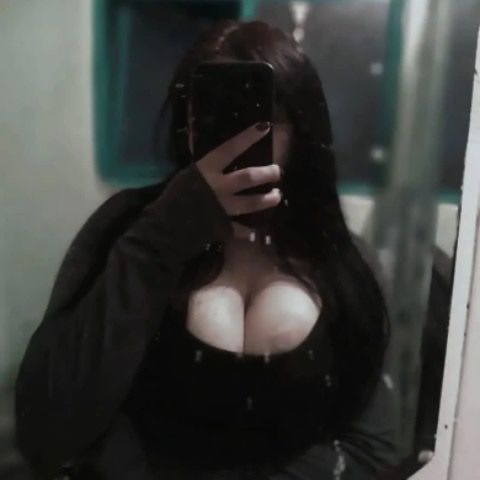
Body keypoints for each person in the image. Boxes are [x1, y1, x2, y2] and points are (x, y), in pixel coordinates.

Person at [15, 20, 399, 480]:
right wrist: (162, 235)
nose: (234, 140)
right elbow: (45, 432)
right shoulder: (129, 227)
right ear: (188, 124)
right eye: (212, 116)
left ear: (299, 127)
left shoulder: (336, 257)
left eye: (260, 120)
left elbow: (376, 447)